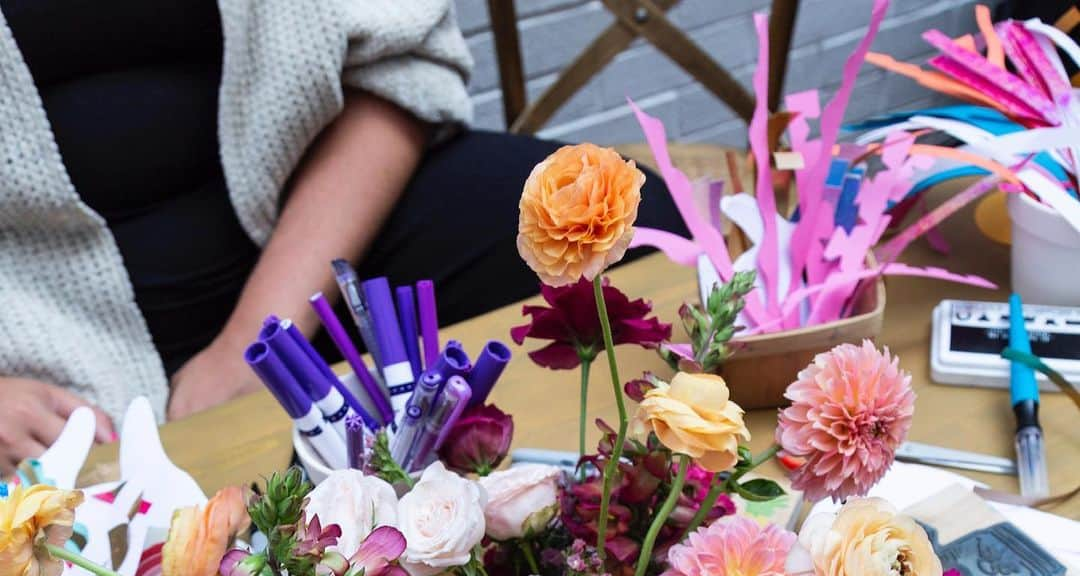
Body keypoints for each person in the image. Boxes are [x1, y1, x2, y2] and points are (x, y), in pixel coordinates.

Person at [0, 1, 685, 470]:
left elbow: (395, 62)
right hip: (41, 360)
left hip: (321, 230)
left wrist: (252, 348)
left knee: (640, 234)